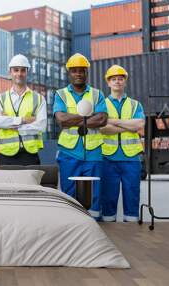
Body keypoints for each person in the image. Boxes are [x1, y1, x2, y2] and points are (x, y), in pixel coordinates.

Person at [53, 53, 108, 220]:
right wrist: (88, 116)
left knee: (95, 194)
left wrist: (73, 118)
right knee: (68, 194)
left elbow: (103, 119)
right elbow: (61, 120)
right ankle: (72, 224)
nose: (78, 74)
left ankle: (95, 225)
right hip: (69, 153)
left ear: (87, 73)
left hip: (93, 152)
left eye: (81, 71)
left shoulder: (97, 94)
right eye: (74, 71)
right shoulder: (61, 94)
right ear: (69, 73)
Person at [100, 65, 145, 222]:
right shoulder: (102, 104)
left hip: (131, 158)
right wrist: (127, 126)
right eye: (114, 79)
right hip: (108, 158)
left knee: (132, 196)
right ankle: (111, 233)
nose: (117, 82)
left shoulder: (135, 105)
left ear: (125, 82)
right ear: (108, 83)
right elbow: (102, 128)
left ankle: (132, 233)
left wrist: (113, 122)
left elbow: (138, 125)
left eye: (120, 79)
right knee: (108, 197)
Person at [0, 54, 47, 165]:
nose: (19, 74)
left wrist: (11, 124)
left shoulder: (39, 99)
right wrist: (23, 120)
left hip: (30, 154)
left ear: (27, 72)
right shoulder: (1, 98)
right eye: (16, 70)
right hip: (6, 154)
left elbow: (41, 126)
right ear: (10, 72)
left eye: (23, 70)